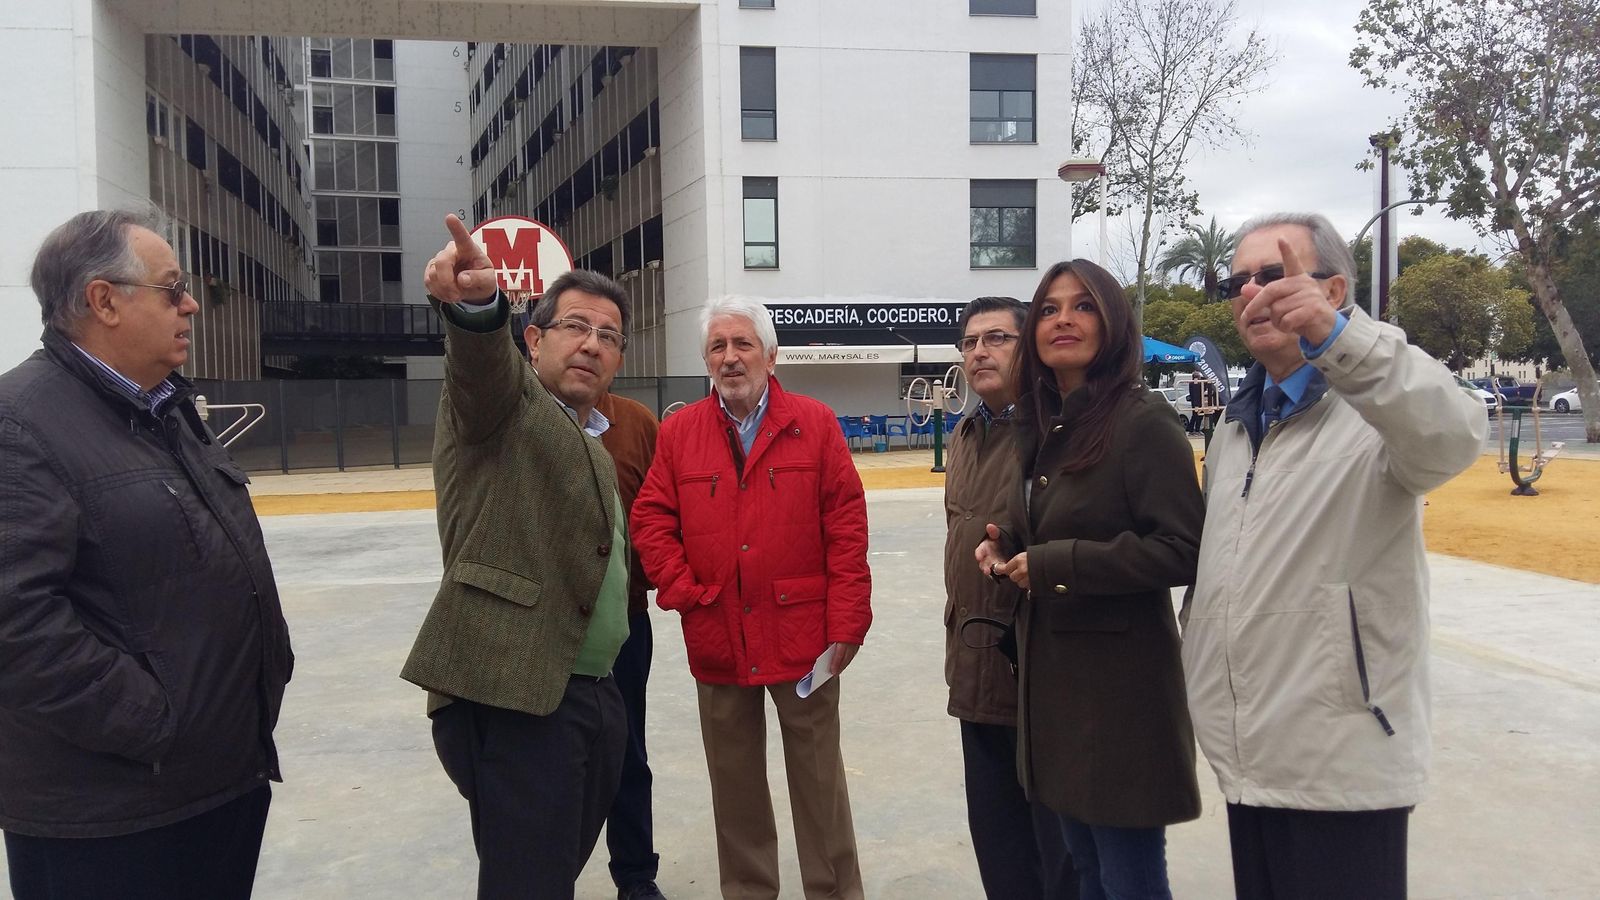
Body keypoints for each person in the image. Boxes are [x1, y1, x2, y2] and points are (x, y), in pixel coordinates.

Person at [1182, 212, 1487, 899]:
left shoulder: (1375, 412)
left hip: (1342, 761)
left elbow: (1454, 435)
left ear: (1334, 288)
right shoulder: (1234, 426)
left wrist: (1337, 336)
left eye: (1273, 274)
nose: (1252, 292)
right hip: (1248, 758)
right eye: (1237, 282)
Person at [0, 209, 293, 899]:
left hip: (213, 785)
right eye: (172, 289)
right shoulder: (20, 423)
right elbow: (16, 623)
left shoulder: (167, 410)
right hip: (110, 820)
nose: (190, 306)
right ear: (104, 300)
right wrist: (156, 723)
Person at [401, 215, 633, 899]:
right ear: (533, 339)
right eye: (576, 327)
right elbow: (482, 368)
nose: (592, 345)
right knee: (526, 884)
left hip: (589, 695)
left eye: (609, 336)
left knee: (544, 877)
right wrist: (478, 309)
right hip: (516, 697)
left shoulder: (593, 438)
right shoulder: (504, 408)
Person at [630, 296, 871, 900]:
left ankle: (835, 893)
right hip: (718, 633)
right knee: (734, 786)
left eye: (743, 344)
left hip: (805, 639)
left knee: (819, 783)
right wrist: (683, 590)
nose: (730, 357)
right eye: (718, 346)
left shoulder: (815, 423)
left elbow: (846, 529)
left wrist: (847, 624)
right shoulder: (680, 432)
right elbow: (650, 518)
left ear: (770, 355)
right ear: (706, 360)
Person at [977, 259, 1204, 900]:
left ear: (1113, 323)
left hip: (1120, 694)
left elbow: (1184, 548)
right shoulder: (1044, 421)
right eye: (1049, 309)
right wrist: (1007, 545)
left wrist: (1056, 565)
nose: (1064, 320)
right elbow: (1061, 521)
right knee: (1084, 869)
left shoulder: (1142, 421)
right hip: (1054, 688)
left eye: (1083, 306)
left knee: (1127, 875)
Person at [943, 297, 1077, 899]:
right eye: (970, 342)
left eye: (997, 338)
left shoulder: (1058, 433)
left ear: (1030, 349)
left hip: (1040, 673)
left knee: (1058, 854)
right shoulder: (964, 434)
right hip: (974, 666)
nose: (980, 352)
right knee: (998, 846)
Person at [594, 390, 667, 900]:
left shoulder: (638, 424)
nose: (589, 351)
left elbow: (663, 511)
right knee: (538, 761)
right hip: (541, 628)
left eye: (608, 347)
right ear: (534, 349)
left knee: (626, 750)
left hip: (624, 623)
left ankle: (636, 874)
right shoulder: (520, 416)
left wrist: (650, 577)